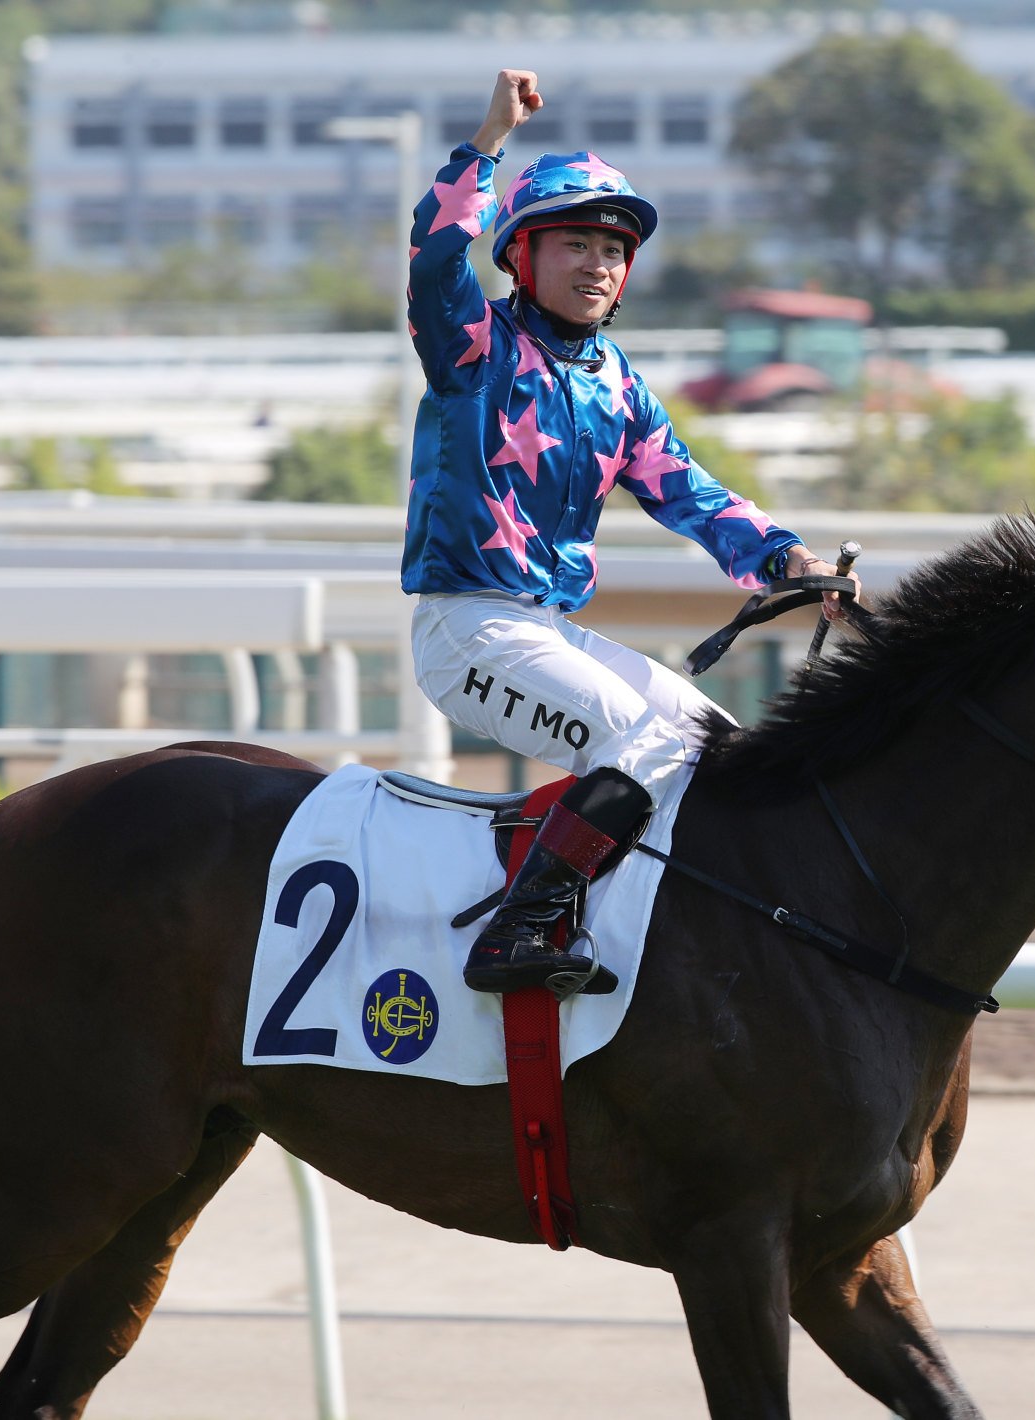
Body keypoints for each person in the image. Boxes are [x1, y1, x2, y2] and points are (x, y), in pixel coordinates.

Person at [404, 69, 858, 994]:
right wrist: (487, 139)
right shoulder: (472, 345)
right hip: (469, 631)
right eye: (574, 242)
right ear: (521, 257)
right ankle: (514, 934)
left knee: (722, 752)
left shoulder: (618, 386)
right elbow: (431, 255)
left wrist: (787, 557)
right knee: (641, 747)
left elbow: (691, 491)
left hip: (547, 632)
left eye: (613, 249)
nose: (598, 265)